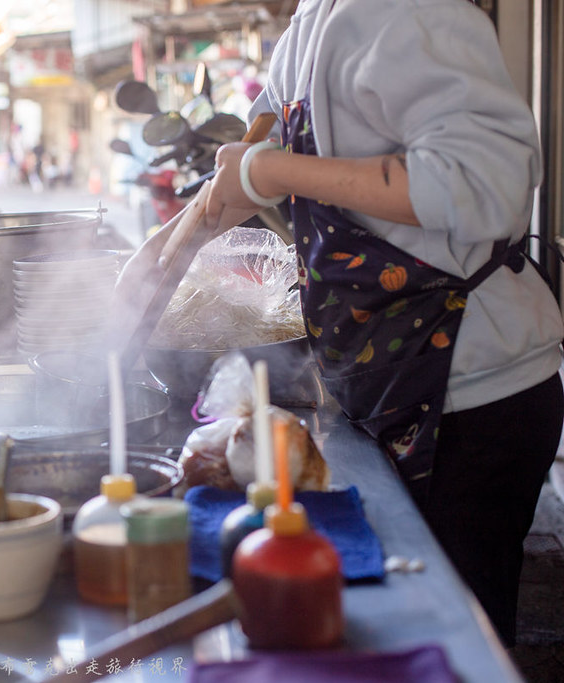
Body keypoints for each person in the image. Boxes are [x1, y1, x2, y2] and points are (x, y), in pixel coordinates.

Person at [205, 0, 564, 647]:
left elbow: (486, 183)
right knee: (408, 618)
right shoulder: (310, 23)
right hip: (395, 377)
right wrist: (163, 256)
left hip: (474, 389)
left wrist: (269, 169)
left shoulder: (410, 11)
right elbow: (251, 165)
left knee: (459, 637)